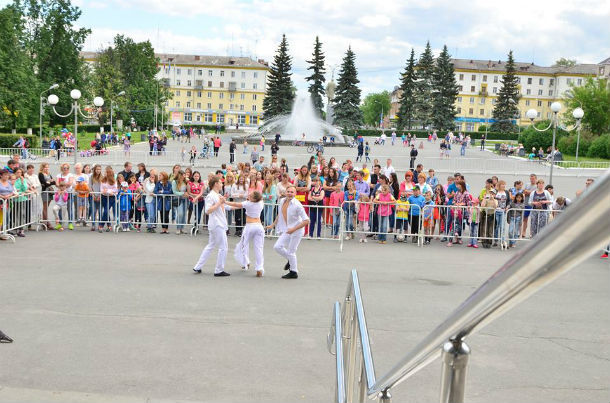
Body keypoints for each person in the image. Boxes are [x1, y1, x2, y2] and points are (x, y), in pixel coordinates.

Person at [268, 185, 310, 279]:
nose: (290, 194)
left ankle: (294, 272)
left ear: (295, 193)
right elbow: (280, 214)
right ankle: (290, 260)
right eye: (288, 191)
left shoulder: (297, 205)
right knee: (277, 247)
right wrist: (273, 225)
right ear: (285, 192)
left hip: (297, 230)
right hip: (287, 229)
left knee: (291, 252)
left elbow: (306, 220)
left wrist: (293, 229)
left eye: (292, 192)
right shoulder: (282, 201)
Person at [193, 176, 231, 277]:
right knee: (223, 247)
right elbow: (208, 210)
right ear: (215, 184)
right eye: (220, 182)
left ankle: (198, 266)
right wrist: (219, 203)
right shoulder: (211, 196)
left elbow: (225, 206)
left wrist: (241, 205)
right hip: (216, 224)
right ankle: (219, 269)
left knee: (211, 245)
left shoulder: (218, 195)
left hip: (218, 223)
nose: (222, 184)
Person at [225, 191, 265, 277]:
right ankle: (259, 268)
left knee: (243, 245)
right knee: (259, 248)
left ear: (254, 198)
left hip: (250, 226)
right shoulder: (260, 203)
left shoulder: (248, 203)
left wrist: (224, 201)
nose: (249, 196)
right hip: (259, 226)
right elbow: (259, 198)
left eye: (250, 195)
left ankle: (245, 262)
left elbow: (236, 204)